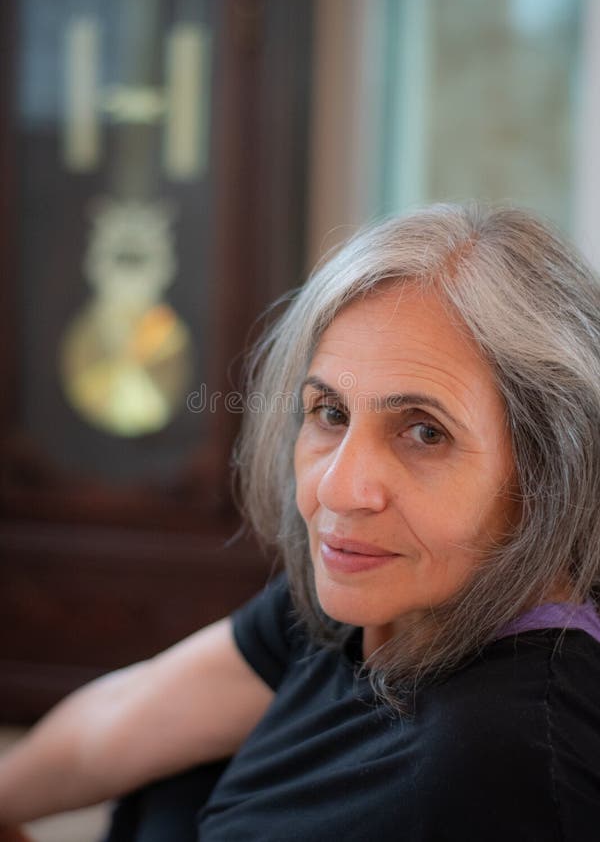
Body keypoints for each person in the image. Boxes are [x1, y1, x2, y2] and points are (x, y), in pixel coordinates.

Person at [1, 202, 600, 841]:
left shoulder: (514, 767)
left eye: (424, 432)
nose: (337, 490)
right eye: (330, 413)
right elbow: (117, 724)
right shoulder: (368, 595)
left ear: (547, 472)